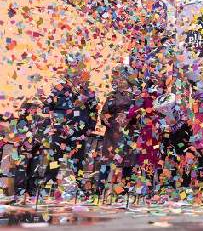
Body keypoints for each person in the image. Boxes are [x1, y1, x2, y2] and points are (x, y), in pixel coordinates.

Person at [44, 53, 98, 191]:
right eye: (72, 67)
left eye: (77, 67)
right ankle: (48, 188)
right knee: (55, 160)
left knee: (78, 161)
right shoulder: (58, 88)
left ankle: (81, 189)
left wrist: (90, 128)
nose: (75, 71)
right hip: (60, 131)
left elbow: (93, 111)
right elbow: (47, 107)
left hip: (79, 133)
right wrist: (55, 123)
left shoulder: (88, 91)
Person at [98, 66, 135, 194]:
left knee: (127, 160)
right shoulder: (112, 95)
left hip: (127, 129)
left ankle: (123, 188)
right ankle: (100, 187)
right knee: (107, 159)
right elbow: (104, 112)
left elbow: (139, 112)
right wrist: (104, 118)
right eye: (118, 79)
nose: (120, 81)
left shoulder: (135, 96)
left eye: (123, 79)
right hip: (112, 130)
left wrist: (130, 117)